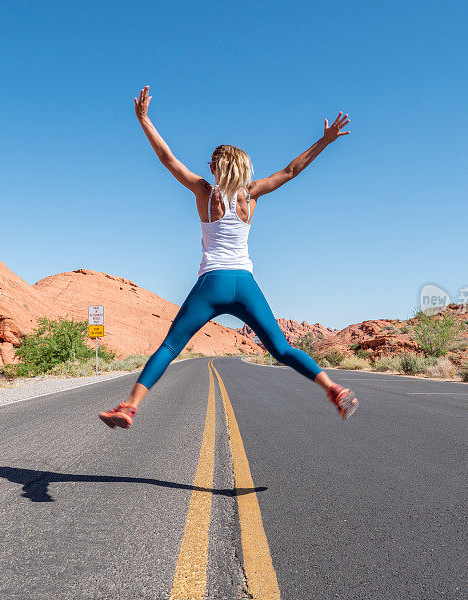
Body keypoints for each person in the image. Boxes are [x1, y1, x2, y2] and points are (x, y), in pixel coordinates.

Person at [99, 85, 358, 429]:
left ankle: (130, 405)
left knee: (171, 347)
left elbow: (167, 158)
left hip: (212, 283)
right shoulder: (251, 194)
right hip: (244, 284)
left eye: (210, 161)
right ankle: (334, 388)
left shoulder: (203, 191)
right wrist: (325, 140)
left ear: (217, 166)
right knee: (281, 349)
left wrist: (144, 119)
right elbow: (292, 170)